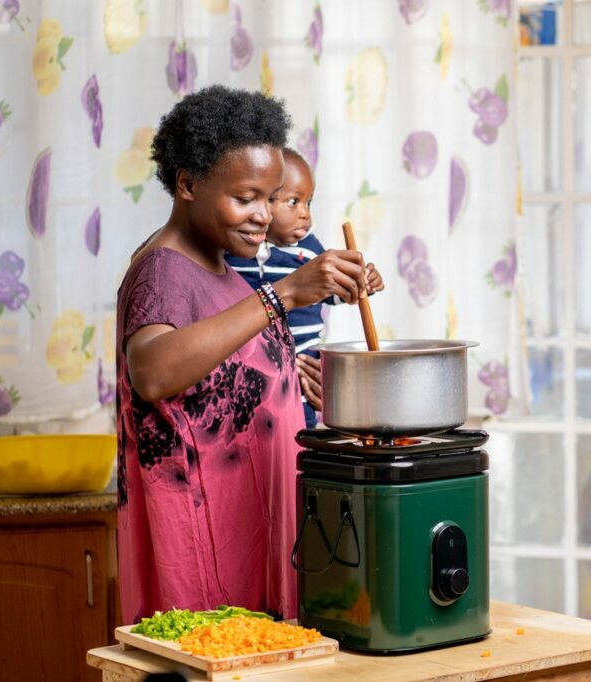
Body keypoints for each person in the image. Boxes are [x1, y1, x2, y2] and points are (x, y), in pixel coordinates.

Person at [115, 85, 369, 624]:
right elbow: (155, 371)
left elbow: (225, 369)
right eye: (246, 197)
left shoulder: (224, 268)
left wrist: (294, 378)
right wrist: (287, 295)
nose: (263, 215)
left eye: (272, 197)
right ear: (187, 184)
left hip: (251, 531)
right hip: (202, 548)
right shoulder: (164, 271)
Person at [225, 149, 384, 427]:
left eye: (308, 203)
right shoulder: (233, 253)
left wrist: (363, 281)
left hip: (304, 376)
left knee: (300, 432)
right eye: (293, 202)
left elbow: (337, 291)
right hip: (248, 378)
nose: (305, 215)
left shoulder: (310, 251)